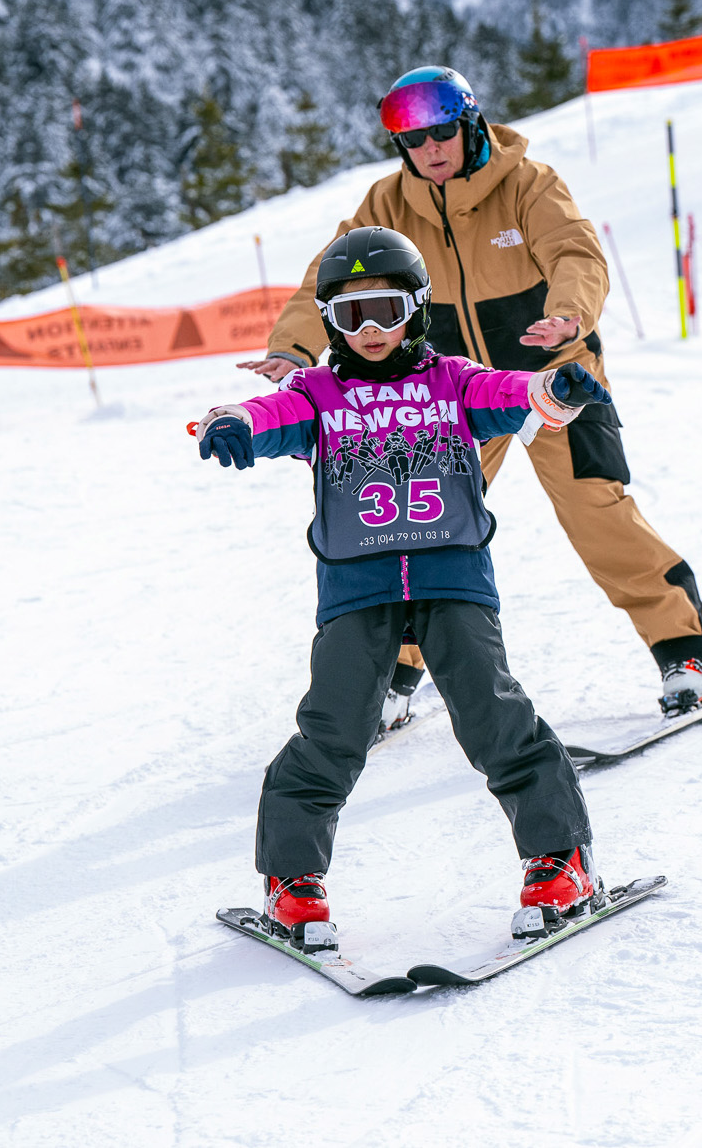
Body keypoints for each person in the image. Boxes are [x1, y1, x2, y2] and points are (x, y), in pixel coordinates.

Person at [241, 66, 702, 717]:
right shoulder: (386, 208)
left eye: (442, 132)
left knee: (597, 508)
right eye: (413, 141)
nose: (430, 150)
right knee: (418, 524)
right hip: (458, 390)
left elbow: (575, 254)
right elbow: (327, 282)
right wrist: (293, 346)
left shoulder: (527, 183)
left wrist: (569, 313)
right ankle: (394, 671)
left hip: (552, 373)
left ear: (470, 123)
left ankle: (689, 650)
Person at [198, 226, 608, 938]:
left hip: (452, 575)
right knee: (333, 726)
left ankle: (560, 856)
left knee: (493, 713)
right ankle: (293, 879)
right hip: (358, 588)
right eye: (350, 316)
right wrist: (232, 420)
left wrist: (557, 387)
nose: (371, 330)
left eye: (386, 310)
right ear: (329, 321)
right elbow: (270, 414)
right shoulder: (318, 393)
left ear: (416, 310)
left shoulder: (451, 380)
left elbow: (516, 394)